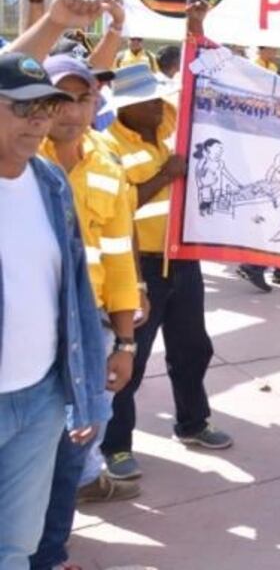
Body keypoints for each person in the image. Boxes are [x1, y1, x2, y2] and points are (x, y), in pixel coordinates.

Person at [31, 56, 144, 570]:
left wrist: (124, 343)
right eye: (60, 98)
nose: (71, 111)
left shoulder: (107, 165)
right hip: (29, 326)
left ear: (96, 103)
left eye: (83, 98)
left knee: (72, 448)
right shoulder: (18, 158)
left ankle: (50, 554)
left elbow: (120, 259)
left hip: (92, 329)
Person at [0, 51, 108, 570]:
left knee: (16, 548)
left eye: (44, 106)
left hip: (40, 400)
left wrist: (81, 390)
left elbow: (75, 295)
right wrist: (49, 16)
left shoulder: (49, 181)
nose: (38, 119)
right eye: (20, 108)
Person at [99, 63, 232, 480]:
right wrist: (164, 175)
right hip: (143, 269)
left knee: (193, 348)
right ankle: (115, 446)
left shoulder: (164, 122)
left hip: (183, 259)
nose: (159, 106)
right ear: (126, 107)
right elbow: (119, 207)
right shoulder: (109, 147)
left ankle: (192, 422)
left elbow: (189, 90)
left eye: (159, 98)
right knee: (128, 361)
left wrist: (195, 32)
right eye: (149, 101)